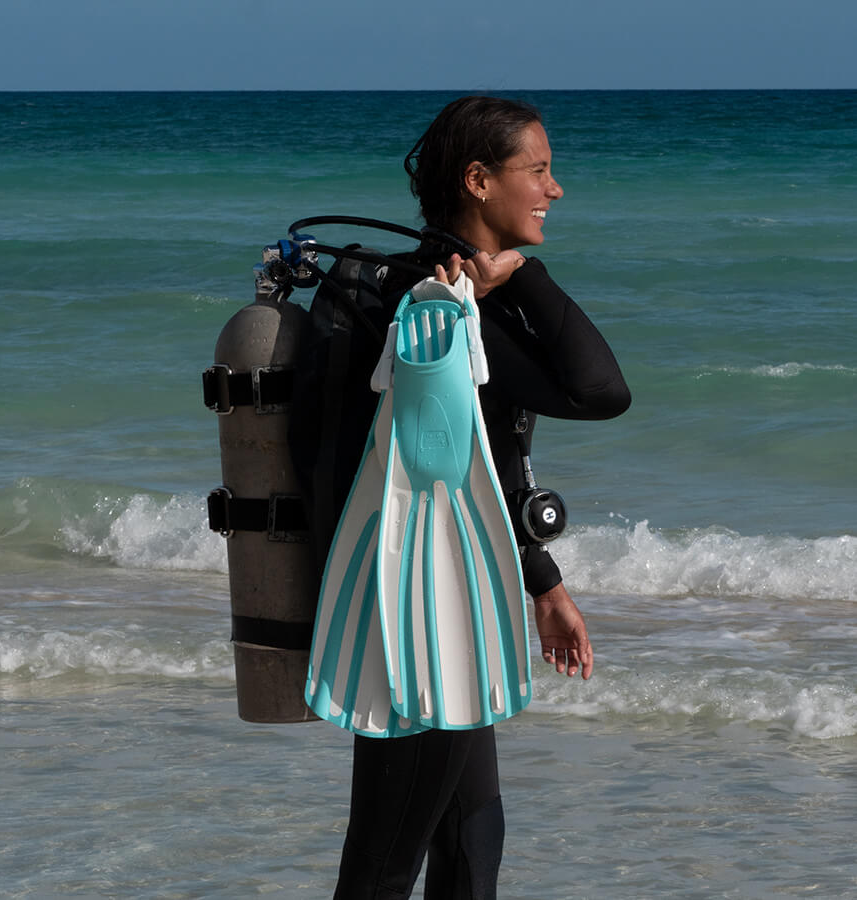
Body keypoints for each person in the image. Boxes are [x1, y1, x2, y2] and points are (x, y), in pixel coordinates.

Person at [330, 96, 631, 899]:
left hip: (446, 599)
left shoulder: (451, 297)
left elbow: (472, 468)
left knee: (470, 843)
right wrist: (527, 277)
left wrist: (543, 583)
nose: (554, 189)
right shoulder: (434, 310)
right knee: (386, 864)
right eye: (537, 170)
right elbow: (600, 390)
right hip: (424, 612)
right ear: (477, 180)